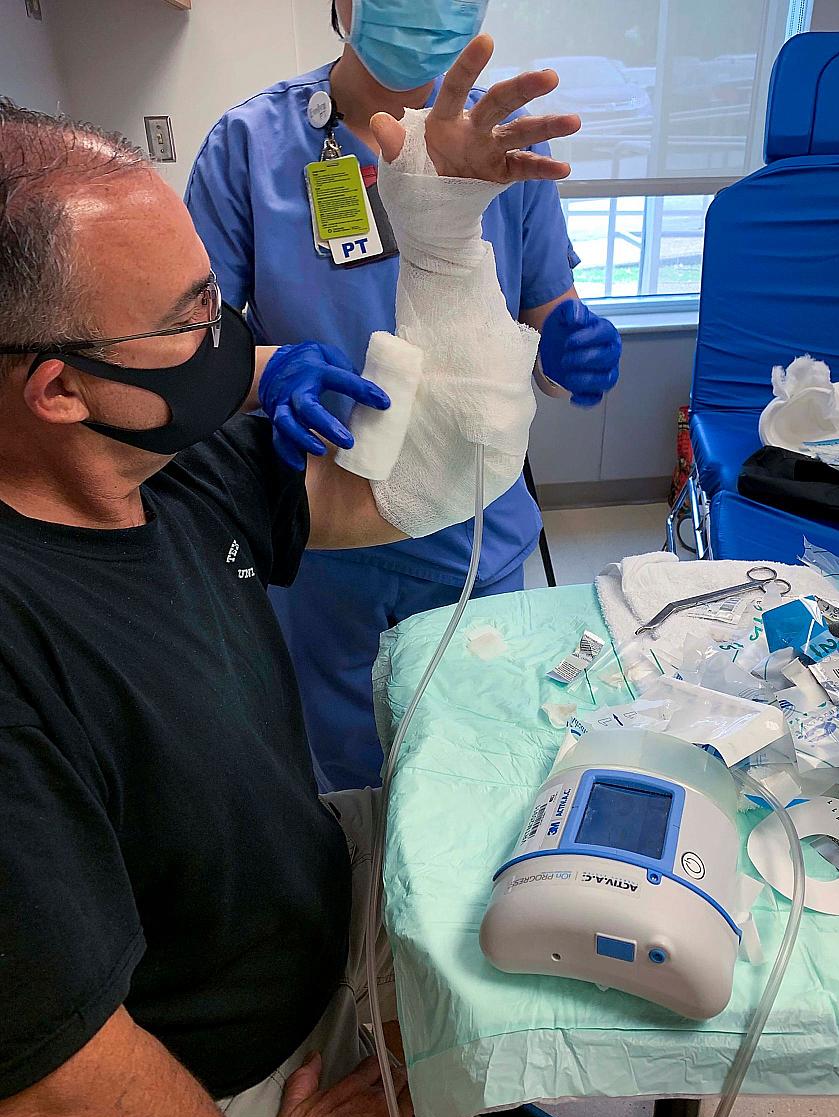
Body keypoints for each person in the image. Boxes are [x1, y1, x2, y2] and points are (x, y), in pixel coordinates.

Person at [0, 38, 577, 1117]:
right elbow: (61, 1085)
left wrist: (446, 236)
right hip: (227, 1074)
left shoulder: (169, 470)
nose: (242, 347)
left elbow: (435, 478)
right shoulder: (23, 642)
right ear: (59, 389)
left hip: (321, 917)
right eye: (190, 321)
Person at [186, 0, 623, 792]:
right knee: (348, 774)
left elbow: (543, 305)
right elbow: (191, 340)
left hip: (472, 524)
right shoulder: (249, 146)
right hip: (326, 524)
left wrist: (565, 349)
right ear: (346, 5)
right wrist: (264, 370)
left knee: (478, 756)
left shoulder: (499, 142)